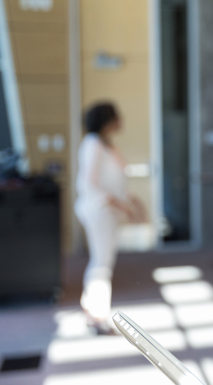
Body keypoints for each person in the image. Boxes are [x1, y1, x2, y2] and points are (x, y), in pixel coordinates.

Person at [75, 102, 144, 334]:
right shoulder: (93, 144)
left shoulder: (106, 145)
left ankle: (92, 310)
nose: (121, 120)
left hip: (108, 211)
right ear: (107, 119)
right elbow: (89, 184)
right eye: (117, 116)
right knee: (101, 263)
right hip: (99, 211)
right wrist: (122, 205)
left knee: (102, 261)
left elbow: (116, 182)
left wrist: (133, 202)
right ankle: (98, 316)